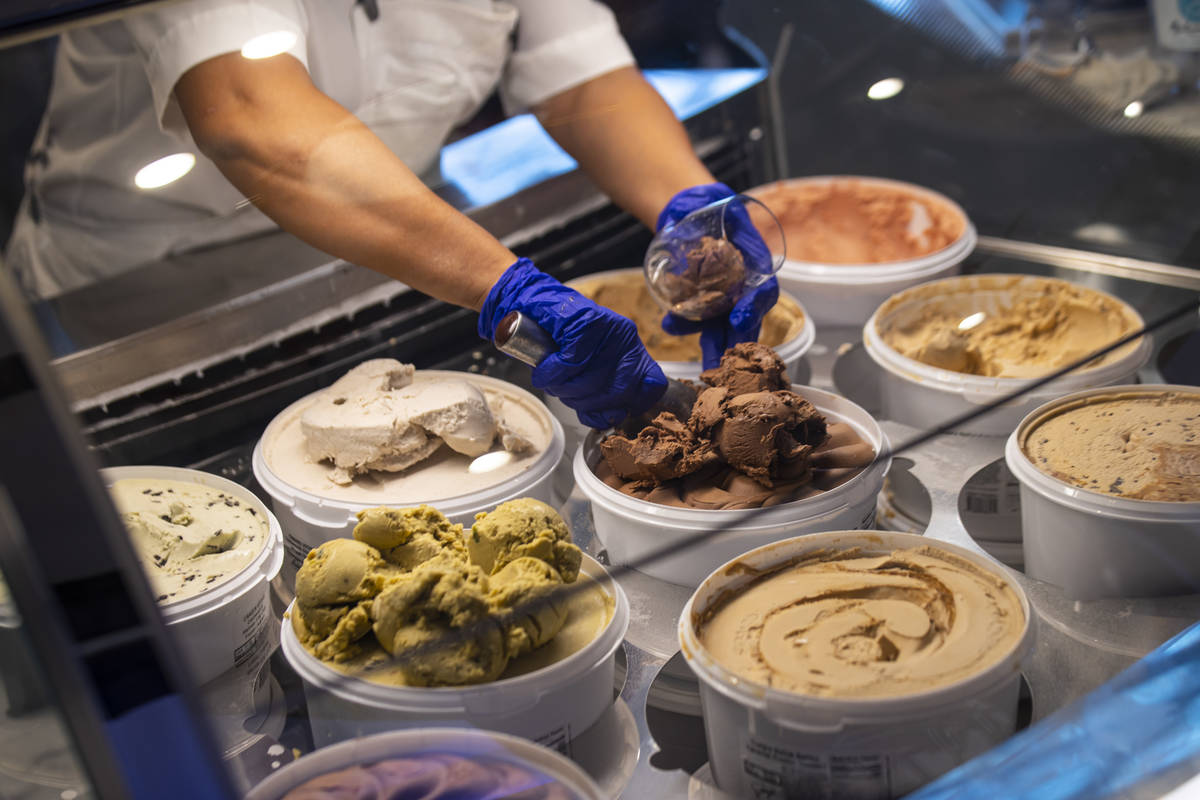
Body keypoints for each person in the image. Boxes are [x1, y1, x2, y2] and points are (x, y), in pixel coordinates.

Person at [5, 0, 777, 427]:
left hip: (410, 254)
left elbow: (584, 81)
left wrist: (691, 207)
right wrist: (508, 289)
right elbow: (249, 118)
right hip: (143, 313)